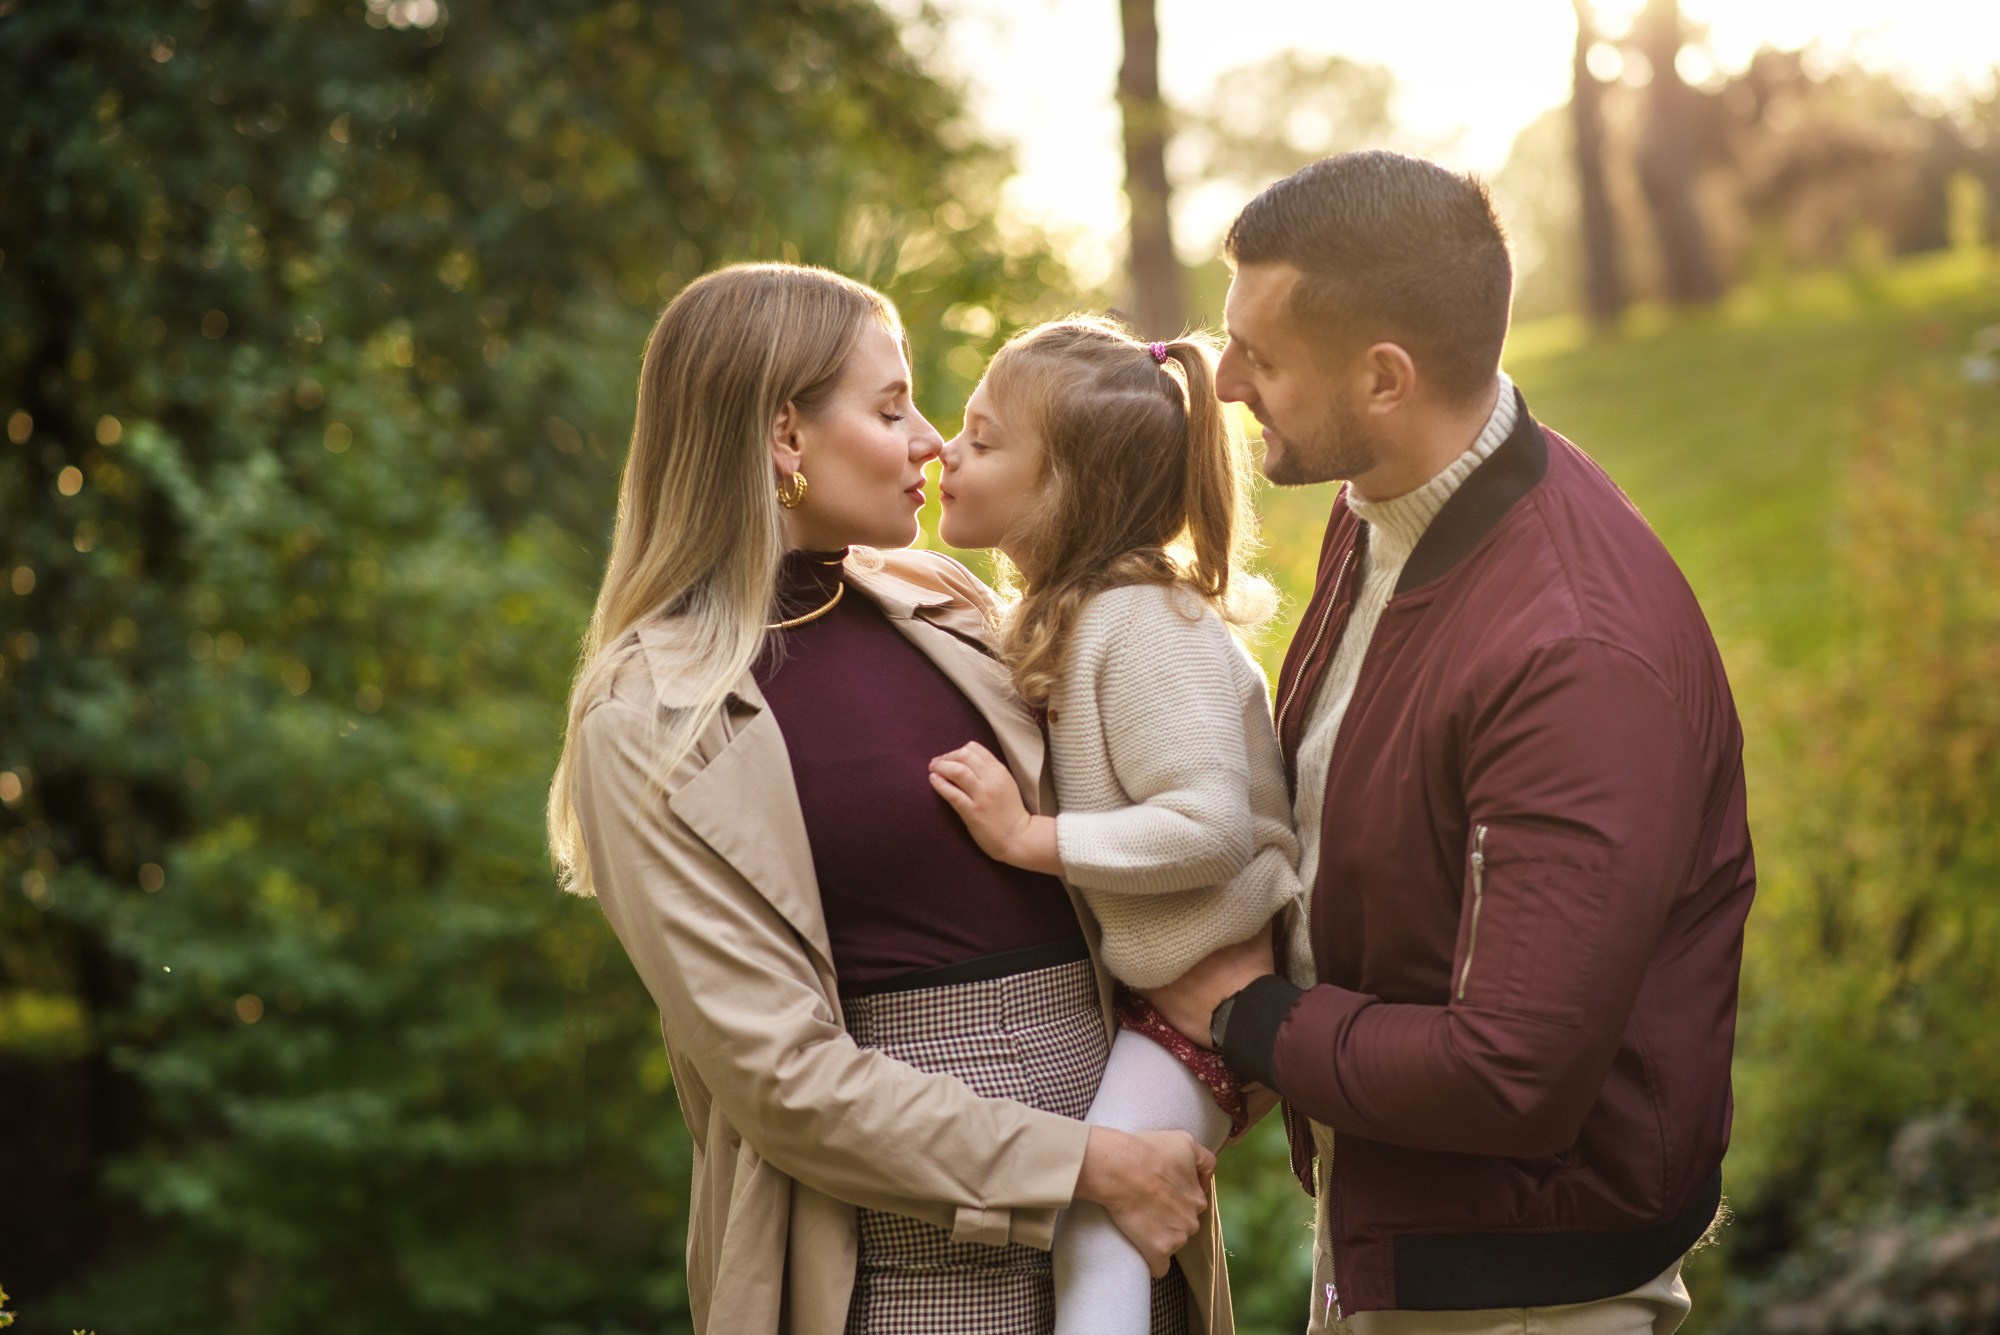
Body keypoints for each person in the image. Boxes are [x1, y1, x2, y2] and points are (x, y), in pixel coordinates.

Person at [547, 264, 1226, 1335]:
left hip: (1128, 1243)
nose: (928, 442)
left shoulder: (949, 601)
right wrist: (1087, 1166)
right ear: (784, 437)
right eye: (889, 406)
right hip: (905, 1273)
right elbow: (782, 1081)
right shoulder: (646, 715)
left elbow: (1142, 796)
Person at [1147, 151, 1758, 1334]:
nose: (1221, 382)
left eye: (1261, 357)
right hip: (1409, 1223)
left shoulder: (1573, 658)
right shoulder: (1379, 506)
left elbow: (1510, 1074)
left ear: (1383, 378)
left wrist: (1245, 1014)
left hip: (1525, 1287)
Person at [925, 316, 1308, 1335]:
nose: (944, 453)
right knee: (1096, 1228)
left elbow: (1208, 829)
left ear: (1064, 488)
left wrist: (1026, 840)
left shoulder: (1139, 623)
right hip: (1169, 1009)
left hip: (1206, 1015)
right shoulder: (1084, 614)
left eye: (983, 437)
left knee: (1096, 1228)